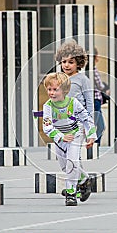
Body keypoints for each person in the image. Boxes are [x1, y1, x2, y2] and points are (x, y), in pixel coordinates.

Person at [42, 72, 97, 206]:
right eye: (49, 89)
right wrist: (60, 137)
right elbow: (47, 127)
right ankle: (84, 179)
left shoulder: (73, 103)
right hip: (60, 139)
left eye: (55, 89)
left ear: (65, 90)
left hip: (74, 136)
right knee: (64, 167)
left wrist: (91, 135)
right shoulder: (48, 106)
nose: (52, 93)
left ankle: (71, 193)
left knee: (72, 163)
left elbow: (85, 118)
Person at [93, 47, 108, 144]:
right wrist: (106, 88)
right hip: (96, 101)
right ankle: (93, 145)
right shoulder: (93, 71)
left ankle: (95, 145)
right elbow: (100, 85)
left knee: (101, 126)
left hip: (97, 101)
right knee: (96, 125)